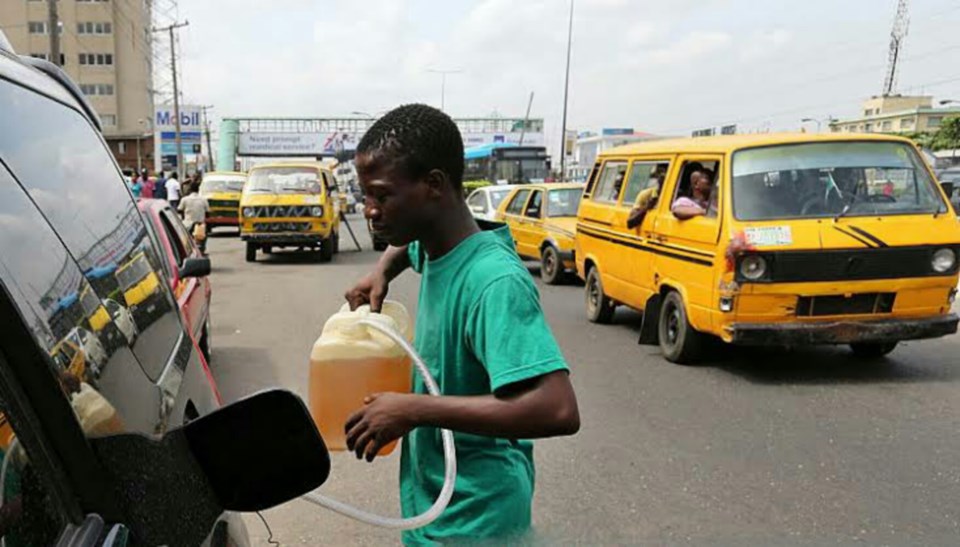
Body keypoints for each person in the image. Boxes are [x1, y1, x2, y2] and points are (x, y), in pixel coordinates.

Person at [343, 104, 580, 546]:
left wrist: (412, 409)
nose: (370, 211)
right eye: (365, 197)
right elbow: (405, 251)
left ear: (433, 185)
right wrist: (381, 271)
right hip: (436, 510)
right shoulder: (433, 245)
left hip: (479, 520)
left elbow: (558, 409)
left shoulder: (493, 282)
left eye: (381, 195)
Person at [626, 164, 669, 229]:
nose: (662, 178)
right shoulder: (646, 194)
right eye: (661, 176)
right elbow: (630, 223)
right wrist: (647, 207)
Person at [178, 187, 209, 253]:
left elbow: (179, 210)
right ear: (198, 190)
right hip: (200, 223)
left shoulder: (185, 199)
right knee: (204, 236)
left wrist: (184, 216)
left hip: (187, 223)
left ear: (189, 191)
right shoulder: (203, 199)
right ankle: (202, 249)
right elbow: (207, 212)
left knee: (185, 237)